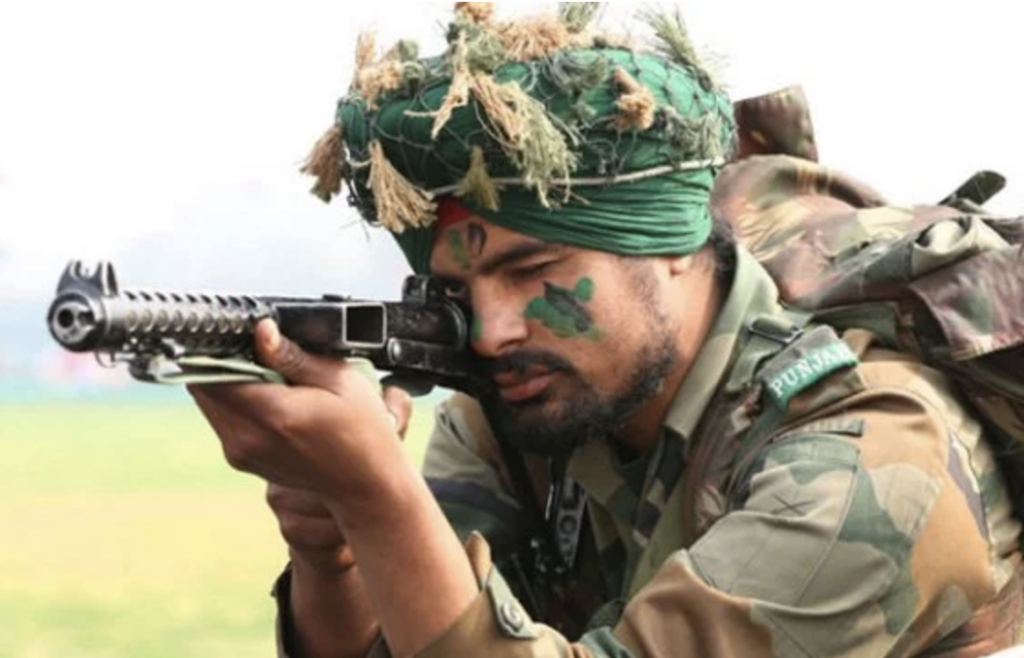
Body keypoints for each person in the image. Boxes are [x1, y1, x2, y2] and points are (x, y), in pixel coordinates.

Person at [189, 4, 1023, 656]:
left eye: (532, 272)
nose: (488, 332)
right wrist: (331, 552)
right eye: (454, 287)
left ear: (667, 249)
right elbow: (407, 637)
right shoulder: (523, 411)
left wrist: (377, 497)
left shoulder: (873, 460)